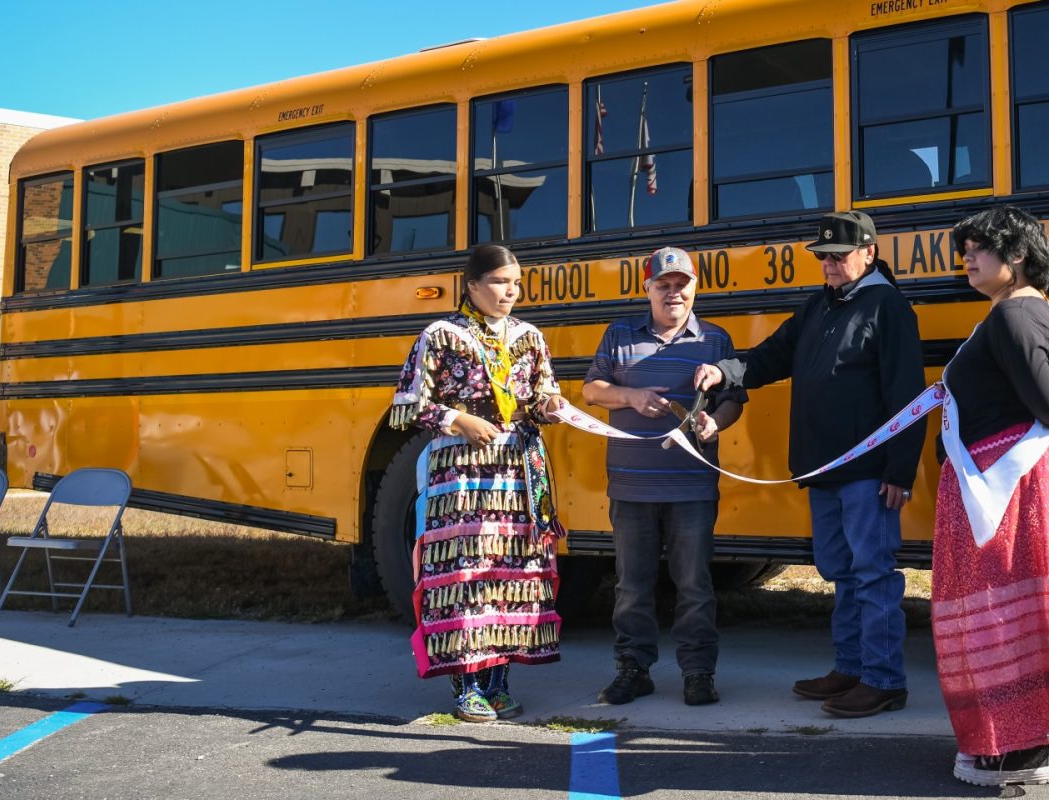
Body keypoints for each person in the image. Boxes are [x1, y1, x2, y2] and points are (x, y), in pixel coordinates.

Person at [693, 211, 925, 718]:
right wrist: (723, 369)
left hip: (867, 473)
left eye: (838, 256)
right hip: (824, 469)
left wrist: (899, 472)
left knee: (871, 574)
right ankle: (850, 668)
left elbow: (908, 398)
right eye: (822, 257)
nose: (828, 265)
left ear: (869, 252)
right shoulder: (820, 305)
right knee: (841, 571)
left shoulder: (889, 308)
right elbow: (770, 356)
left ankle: (884, 680)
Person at [933, 206, 1049, 787]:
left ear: (1017, 255)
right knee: (1006, 600)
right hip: (1007, 474)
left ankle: (1014, 748)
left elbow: (1044, 401)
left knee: (996, 601)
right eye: (966, 248)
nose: (967, 258)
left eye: (979, 248)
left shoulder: (1013, 317)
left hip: (1010, 477)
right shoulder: (1017, 313)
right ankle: (1009, 740)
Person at [388, 244, 567, 723]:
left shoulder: (529, 337)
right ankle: (466, 684)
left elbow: (543, 395)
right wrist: (457, 419)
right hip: (463, 475)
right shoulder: (441, 336)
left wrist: (550, 407)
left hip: (516, 472)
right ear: (471, 285)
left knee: (511, 576)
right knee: (466, 575)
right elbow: (406, 404)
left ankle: (499, 682)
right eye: (500, 282)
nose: (511, 291)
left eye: (516, 283)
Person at [581, 246, 747, 707]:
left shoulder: (715, 341)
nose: (674, 293)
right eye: (664, 285)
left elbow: (734, 399)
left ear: (695, 287)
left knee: (694, 584)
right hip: (631, 486)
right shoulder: (619, 335)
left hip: (692, 486)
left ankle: (698, 673)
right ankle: (634, 668)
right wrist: (630, 396)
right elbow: (591, 390)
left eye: (682, 284)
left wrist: (717, 423)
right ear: (648, 289)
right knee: (631, 584)